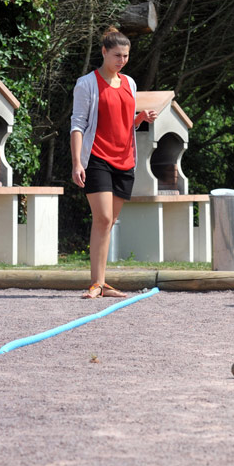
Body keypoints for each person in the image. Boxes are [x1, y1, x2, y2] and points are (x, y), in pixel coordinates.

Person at [70, 27, 157, 299]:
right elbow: (78, 125)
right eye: (117, 55)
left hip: (125, 160)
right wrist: (77, 163)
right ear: (104, 52)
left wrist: (140, 118)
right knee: (104, 218)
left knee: (109, 222)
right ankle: (96, 283)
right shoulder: (86, 84)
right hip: (97, 158)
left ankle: (102, 282)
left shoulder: (130, 83)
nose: (122, 60)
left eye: (126, 56)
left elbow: (122, 122)